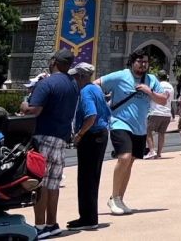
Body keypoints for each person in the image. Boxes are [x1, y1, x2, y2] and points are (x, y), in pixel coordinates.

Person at [98, 49, 168, 216]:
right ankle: (114, 197)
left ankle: (119, 198)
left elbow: (163, 100)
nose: (143, 65)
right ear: (132, 62)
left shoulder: (151, 80)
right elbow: (96, 84)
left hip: (140, 127)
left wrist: (149, 91)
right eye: (139, 61)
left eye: (145, 62)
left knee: (130, 162)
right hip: (120, 123)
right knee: (124, 157)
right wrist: (100, 104)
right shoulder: (121, 76)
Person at [21, 49, 79, 239]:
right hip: (61, 138)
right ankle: (52, 223)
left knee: (40, 183)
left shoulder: (46, 83)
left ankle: (39, 227)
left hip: (43, 137)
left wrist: (24, 104)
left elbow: (33, 110)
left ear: (54, 61)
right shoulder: (73, 85)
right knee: (53, 183)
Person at [68, 62, 110, 231]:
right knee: (91, 177)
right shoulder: (96, 89)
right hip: (100, 134)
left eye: (76, 76)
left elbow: (91, 115)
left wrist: (79, 134)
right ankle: (87, 216)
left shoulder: (86, 92)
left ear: (81, 76)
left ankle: (88, 218)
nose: (74, 80)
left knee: (87, 179)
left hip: (91, 136)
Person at [145, 71, 174, 159]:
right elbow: (170, 100)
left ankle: (151, 151)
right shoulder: (171, 87)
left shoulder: (156, 85)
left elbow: (150, 96)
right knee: (162, 133)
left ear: (158, 77)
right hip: (166, 112)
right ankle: (159, 153)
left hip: (155, 111)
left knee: (148, 131)